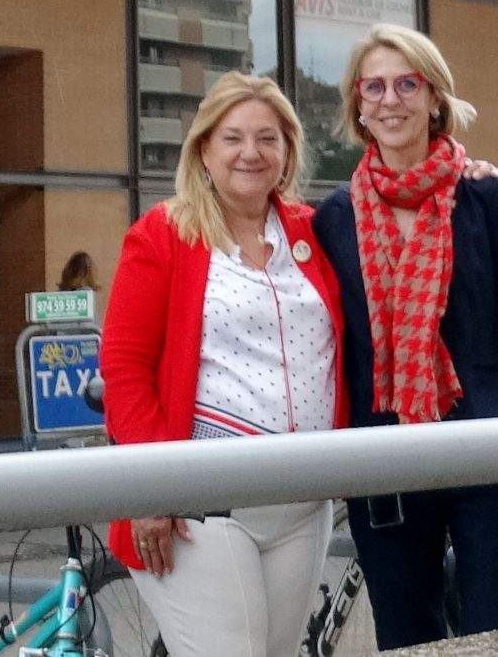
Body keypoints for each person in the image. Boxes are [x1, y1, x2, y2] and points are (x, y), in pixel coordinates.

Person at [312, 25, 498, 650]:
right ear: (358, 106)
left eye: (406, 83)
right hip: (384, 458)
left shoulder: (486, 196)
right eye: (374, 86)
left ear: (433, 98)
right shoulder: (333, 219)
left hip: (490, 450)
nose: (390, 99)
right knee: (407, 637)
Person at [99, 72, 344, 657]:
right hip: (201, 507)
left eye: (268, 138)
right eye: (232, 138)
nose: (250, 153)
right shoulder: (163, 234)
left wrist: (472, 177)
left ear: (287, 152)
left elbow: (398, 217)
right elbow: (124, 367)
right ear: (203, 150)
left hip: (305, 505)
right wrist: (152, 490)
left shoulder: (315, 231)